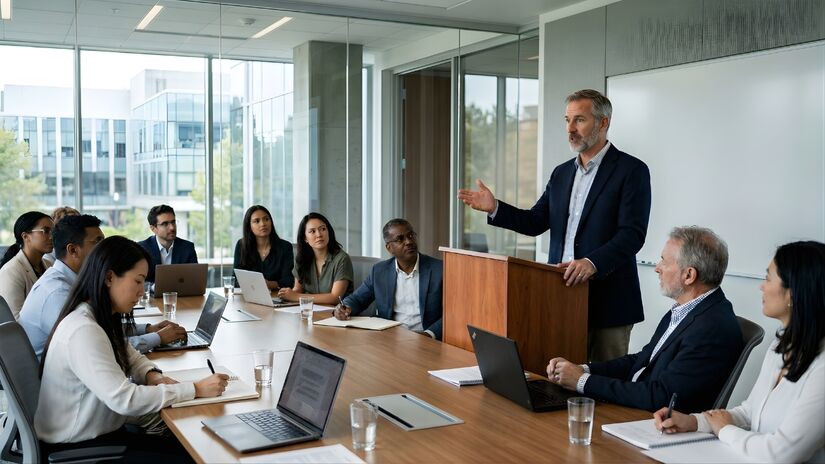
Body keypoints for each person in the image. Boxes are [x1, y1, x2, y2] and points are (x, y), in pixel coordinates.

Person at [458, 89, 652, 362]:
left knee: (605, 389)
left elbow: (632, 235)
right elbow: (535, 221)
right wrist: (495, 208)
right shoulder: (561, 173)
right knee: (559, 380)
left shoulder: (631, 171)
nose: (570, 129)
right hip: (560, 298)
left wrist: (592, 262)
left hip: (609, 303)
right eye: (567, 120)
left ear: (603, 123)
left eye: (579, 120)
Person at [35, 236, 228, 460]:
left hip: (98, 435)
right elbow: (125, 400)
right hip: (81, 448)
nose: (141, 291)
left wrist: (151, 374)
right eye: (138, 281)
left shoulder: (96, 316)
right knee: (195, 454)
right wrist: (195, 389)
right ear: (109, 277)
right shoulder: (84, 330)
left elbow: (128, 352)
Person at [654, 241, 825, 463]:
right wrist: (694, 422)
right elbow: (748, 413)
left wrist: (725, 431)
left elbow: (782, 454)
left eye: (768, 278)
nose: (761, 286)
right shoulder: (780, 347)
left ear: (793, 293)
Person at [546, 227, 743, 412]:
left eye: (664, 261)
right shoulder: (687, 309)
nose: (657, 268)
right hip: (636, 413)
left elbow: (662, 397)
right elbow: (641, 361)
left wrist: (581, 381)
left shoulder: (712, 328)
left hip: (654, 425)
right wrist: (581, 369)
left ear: (689, 275)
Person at [19, 215, 186, 359]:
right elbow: (102, 347)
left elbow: (100, 328)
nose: (105, 249)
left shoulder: (72, 281)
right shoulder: (57, 293)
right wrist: (157, 338)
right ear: (73, 250)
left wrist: (147, 329)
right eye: (98, 242)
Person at [333, 219, 443, 339]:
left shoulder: (439, 269)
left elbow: (453, 314)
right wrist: (343, 308)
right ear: (389, 248)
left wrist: (428, 334)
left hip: (425, 339)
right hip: (390, 338)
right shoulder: (380, 271)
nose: (409, 241)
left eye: (411, 235)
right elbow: (358, 299)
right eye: (400, 239)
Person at [278, 212, 353, 305]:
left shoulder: (342, 259)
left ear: (328, 231)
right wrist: (287, 294)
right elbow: (298, 289)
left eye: (323, 229)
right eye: (312, 231)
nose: (319, 234)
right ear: (305, 238)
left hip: (336, 314)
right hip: (309, 311)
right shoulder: (302, 258)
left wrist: (296, 297)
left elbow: (335, 298)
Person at [0, 211, 54, 319]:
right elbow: (14, 321)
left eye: (54, 232)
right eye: (46, 231)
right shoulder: (10, 271)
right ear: (25, 236)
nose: (52, 237)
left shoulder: (49, 265)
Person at [233, 205, 294, 291]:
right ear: (249, 226)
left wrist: (269, 284)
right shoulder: (241, 245)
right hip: (249, 296)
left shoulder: (285, 247)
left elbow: (289, 281)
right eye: (257, 221)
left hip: (277, 297)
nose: (263, 224)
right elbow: (235, 279)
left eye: (266, 219)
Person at [137, 204, 198, 283]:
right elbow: (139, 280)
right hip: (152, 295)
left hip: (181, 294)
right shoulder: (142, 249)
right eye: (165, 224)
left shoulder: (187, 248)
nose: (172, 228)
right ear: (153, 228)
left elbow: (195, 280)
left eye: (173, 222)